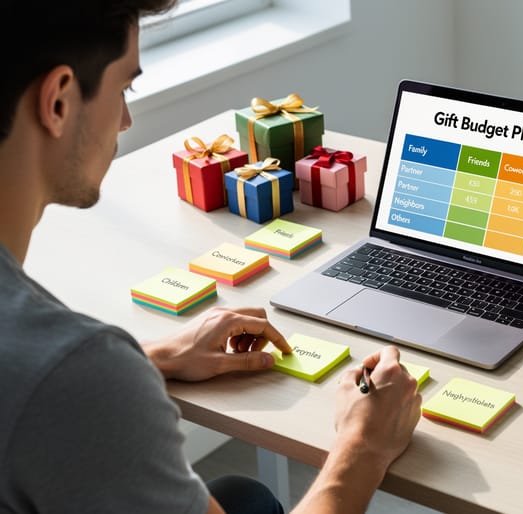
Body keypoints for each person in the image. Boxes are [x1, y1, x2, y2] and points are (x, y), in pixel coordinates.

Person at [0, 1, 422, 513]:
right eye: (123, 89)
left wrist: (154, 357)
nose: (127, 120)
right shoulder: (77, 374)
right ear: (59, 101)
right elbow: (62, 388)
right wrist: (363, 446)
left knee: (241, 496)